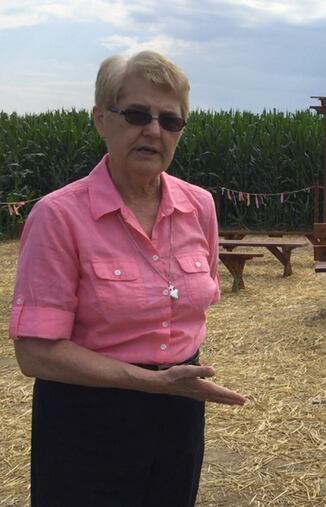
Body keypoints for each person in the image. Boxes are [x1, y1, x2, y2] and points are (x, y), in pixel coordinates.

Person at [9, 50, 247, 506]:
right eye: (137, 114)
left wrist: (168, 388)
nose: (153, 130)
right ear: (101, 119)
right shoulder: (58, 217)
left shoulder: (200, 207)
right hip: (88, 416)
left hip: (180, 410)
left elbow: (199, 296)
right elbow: (36, 353)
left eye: (170, 120)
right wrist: (152, 383)